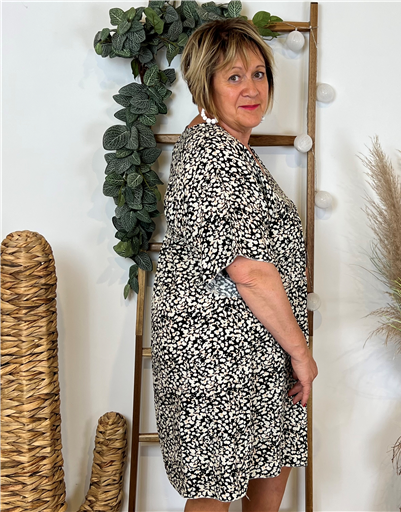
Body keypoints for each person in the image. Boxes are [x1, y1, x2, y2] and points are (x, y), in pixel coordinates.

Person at [150, 18, 318, 512]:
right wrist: (301, 353)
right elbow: (249, 271)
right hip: (219, 361)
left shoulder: (229, 149)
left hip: (255, 353)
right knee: (215, 491)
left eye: (259, 74)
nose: (252, 89)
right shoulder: (214, 155)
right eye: (234, 77)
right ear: (206, 86)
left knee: (262, 474)